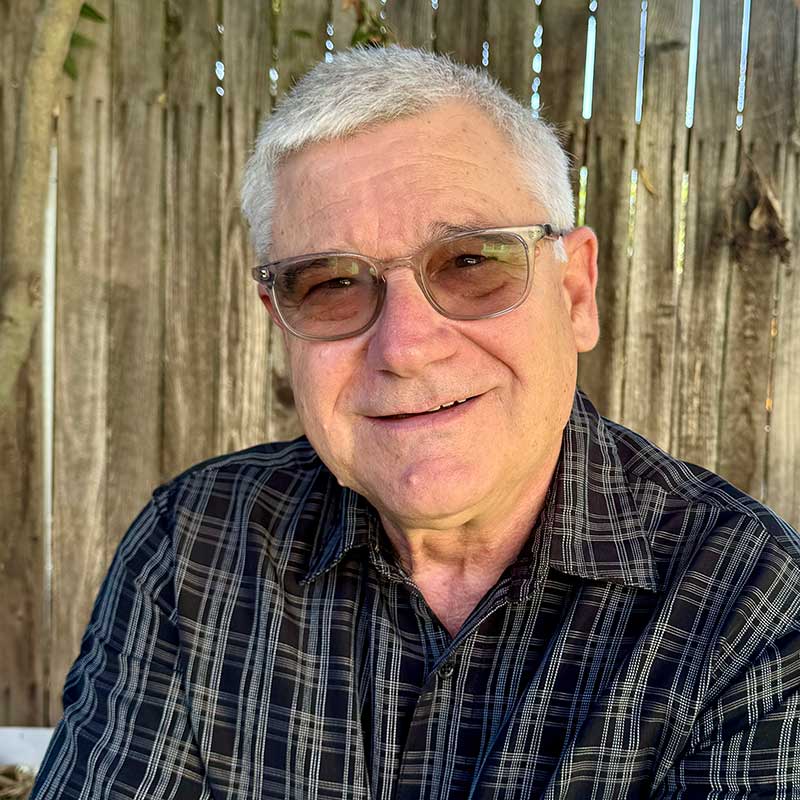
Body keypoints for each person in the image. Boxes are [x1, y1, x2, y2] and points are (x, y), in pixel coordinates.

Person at [31, 46, 800, 799]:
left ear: (575, 293)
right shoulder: (197, 548)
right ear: (280, 320)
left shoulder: (749, 601)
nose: (404, 347)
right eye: (332, 284)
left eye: (470, 263)